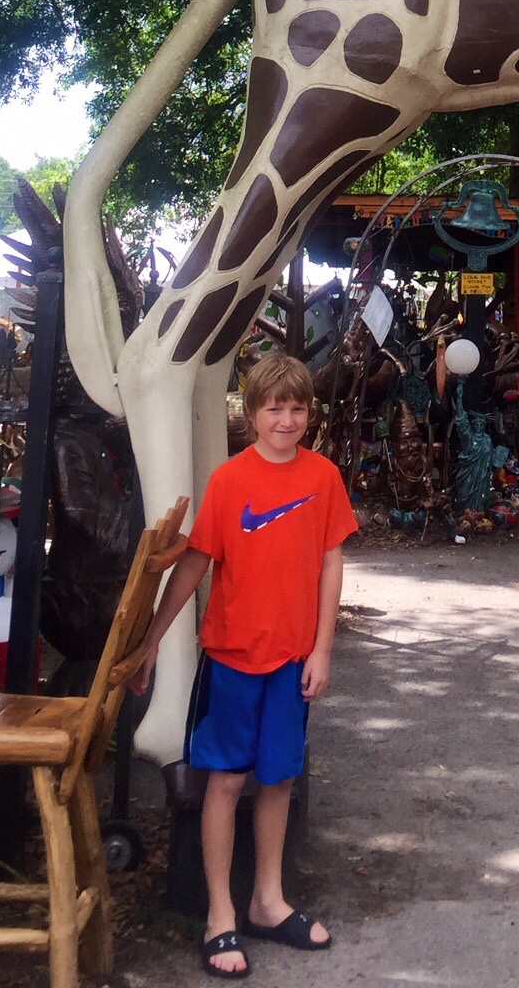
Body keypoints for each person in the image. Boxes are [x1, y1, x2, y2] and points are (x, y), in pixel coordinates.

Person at [132, 352, 357, 977]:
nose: (286, 420)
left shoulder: (323, 477)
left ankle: (267, 900)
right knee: (226, 782)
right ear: (252, 412)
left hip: (292, 661)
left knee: (278, 779)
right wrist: (152, 640)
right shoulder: (229, 481)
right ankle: (220, 916)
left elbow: (332, 563)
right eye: (274, 408)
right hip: (232, 658)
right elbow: (195, 563)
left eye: (297, 408)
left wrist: (322, 649)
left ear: (310, 413)